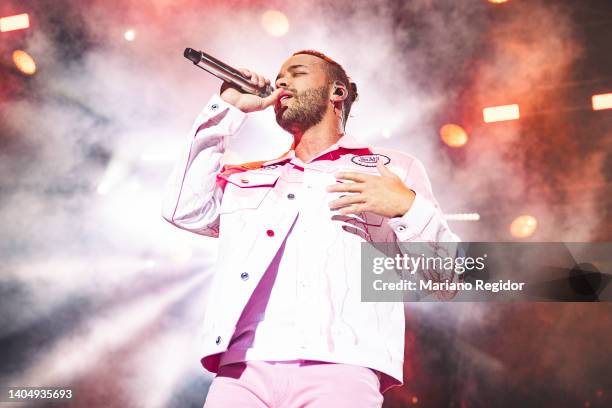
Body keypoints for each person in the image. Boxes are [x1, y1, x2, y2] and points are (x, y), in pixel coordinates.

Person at [162, 50, 460, 407]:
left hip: (342, 366)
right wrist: (228, 110)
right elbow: (183, 208)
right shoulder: (252, 174)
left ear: (337, 92)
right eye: (280, 75)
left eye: (297, 73)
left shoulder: (392, 167)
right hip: (242, 370)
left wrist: (407, 206)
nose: (282, 81)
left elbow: (447, 278)